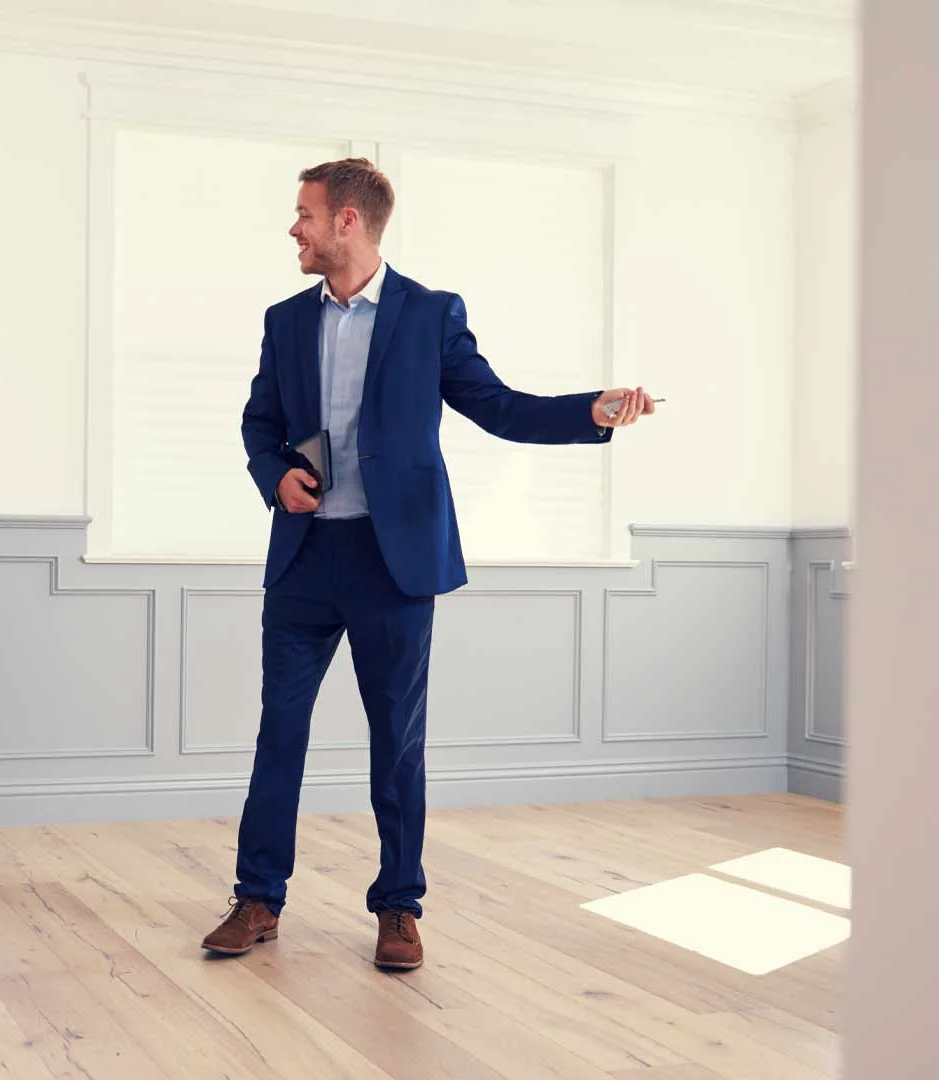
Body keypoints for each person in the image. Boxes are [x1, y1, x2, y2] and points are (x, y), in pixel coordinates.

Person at [205, 158, 655, 971]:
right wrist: (275, 477)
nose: (294, 229)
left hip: (395, 565)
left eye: (304, 214)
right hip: (305, 562)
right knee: (280, 733)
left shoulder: (429, 315)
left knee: (398, 743)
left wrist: (588, 412)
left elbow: (499, 406)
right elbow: (258, 424)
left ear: (348, 221)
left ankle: (399, 908)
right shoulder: (283, 321)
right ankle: (259, 898)